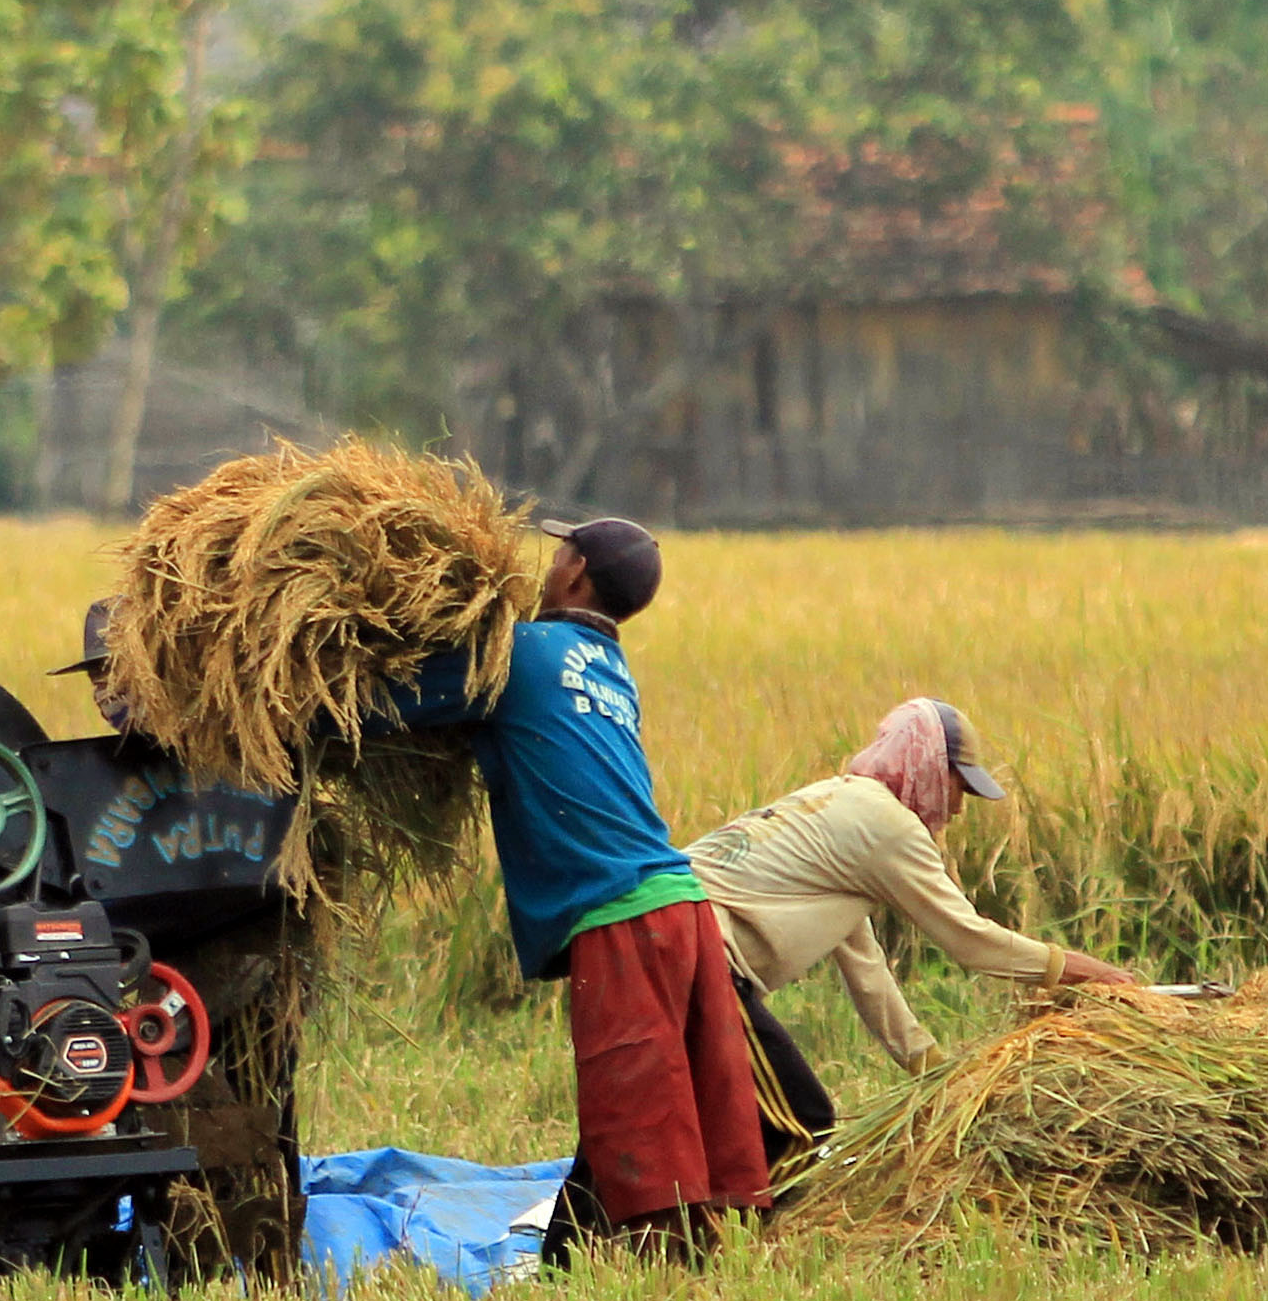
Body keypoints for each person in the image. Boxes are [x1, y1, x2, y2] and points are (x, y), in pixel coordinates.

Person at [388, 517, 769, 1259]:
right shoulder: (607, 665)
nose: (547, 561)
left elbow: (386, 703)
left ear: (575, 573)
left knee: (634, 1108)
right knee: (691, 1098)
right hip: (680, 907)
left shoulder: (519, 656)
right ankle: (652, 1257)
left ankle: (663, 1276)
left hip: (622, 916)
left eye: (558, 551)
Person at [689, 697, 1136, 1081]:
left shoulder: (841, 805)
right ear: (926, 768)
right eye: (958, 787)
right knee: (800, 1123)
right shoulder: (888, 827)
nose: (958, 808)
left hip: (660, 940)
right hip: (700, 959)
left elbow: (867, 969)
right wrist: (1092, 971)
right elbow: (972, 942)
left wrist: (934, 1071)